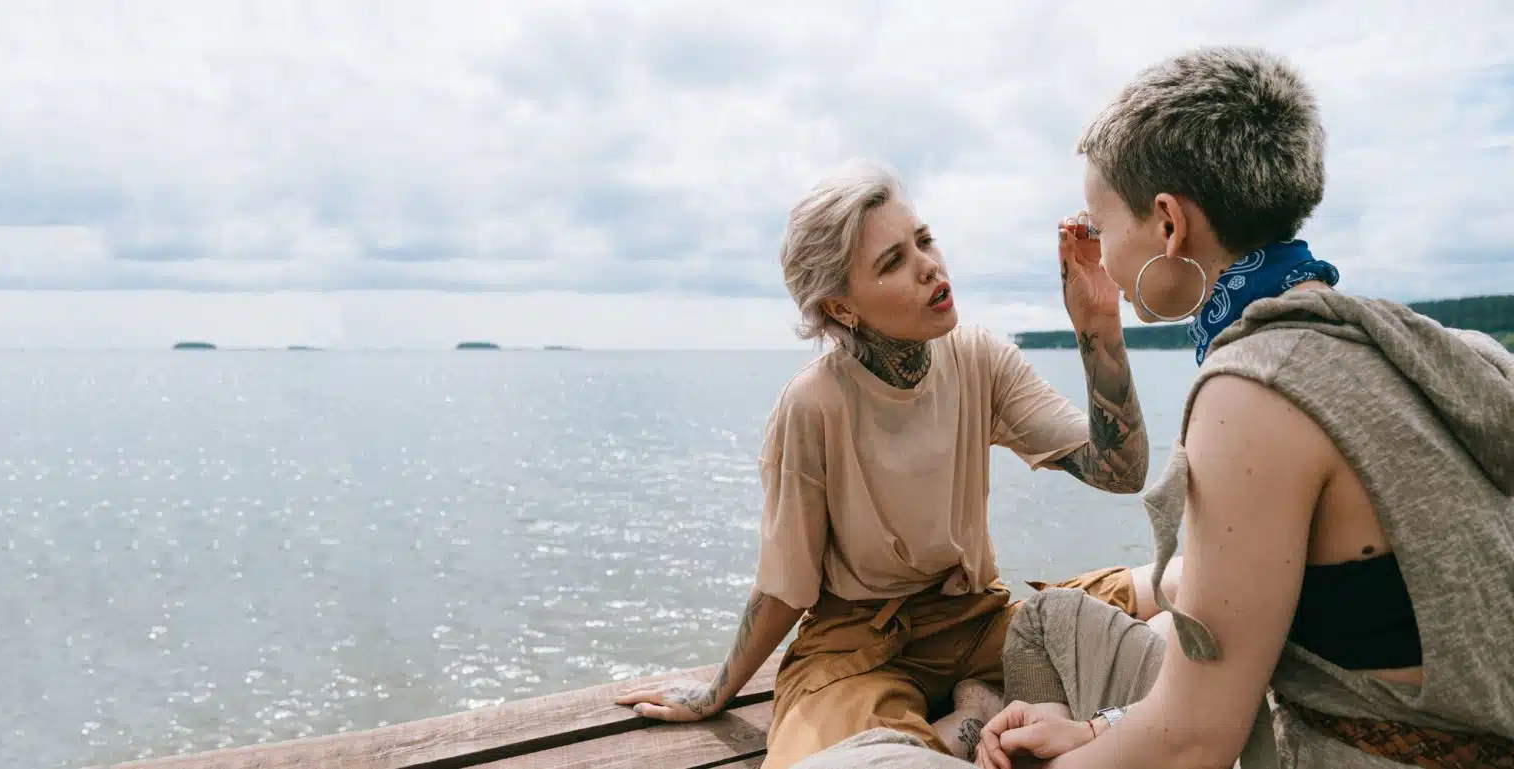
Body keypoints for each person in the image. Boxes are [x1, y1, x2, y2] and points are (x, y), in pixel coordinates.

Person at [798, 45, 1514, 769]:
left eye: (1103, 229)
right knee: (1047, 617)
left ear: (1167, 227)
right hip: (1383, 719)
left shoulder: (1255, 390)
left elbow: (1194, 743)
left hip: (1323, 749)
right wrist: (1104, 725)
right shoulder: (1427, 344)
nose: (1100, 256)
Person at [612, 158, 1156, 768]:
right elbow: (786, 588)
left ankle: (969, 720)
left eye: (923, 240)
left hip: (974, 615)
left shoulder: (978, 358)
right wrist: (716, 692)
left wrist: (1099, 326)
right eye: (893, 261)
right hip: (859, 645)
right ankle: (972, 720)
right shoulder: (813, 406)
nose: (929, 265)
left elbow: (1119, 471)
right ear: (842, 308)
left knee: (1169, 608)